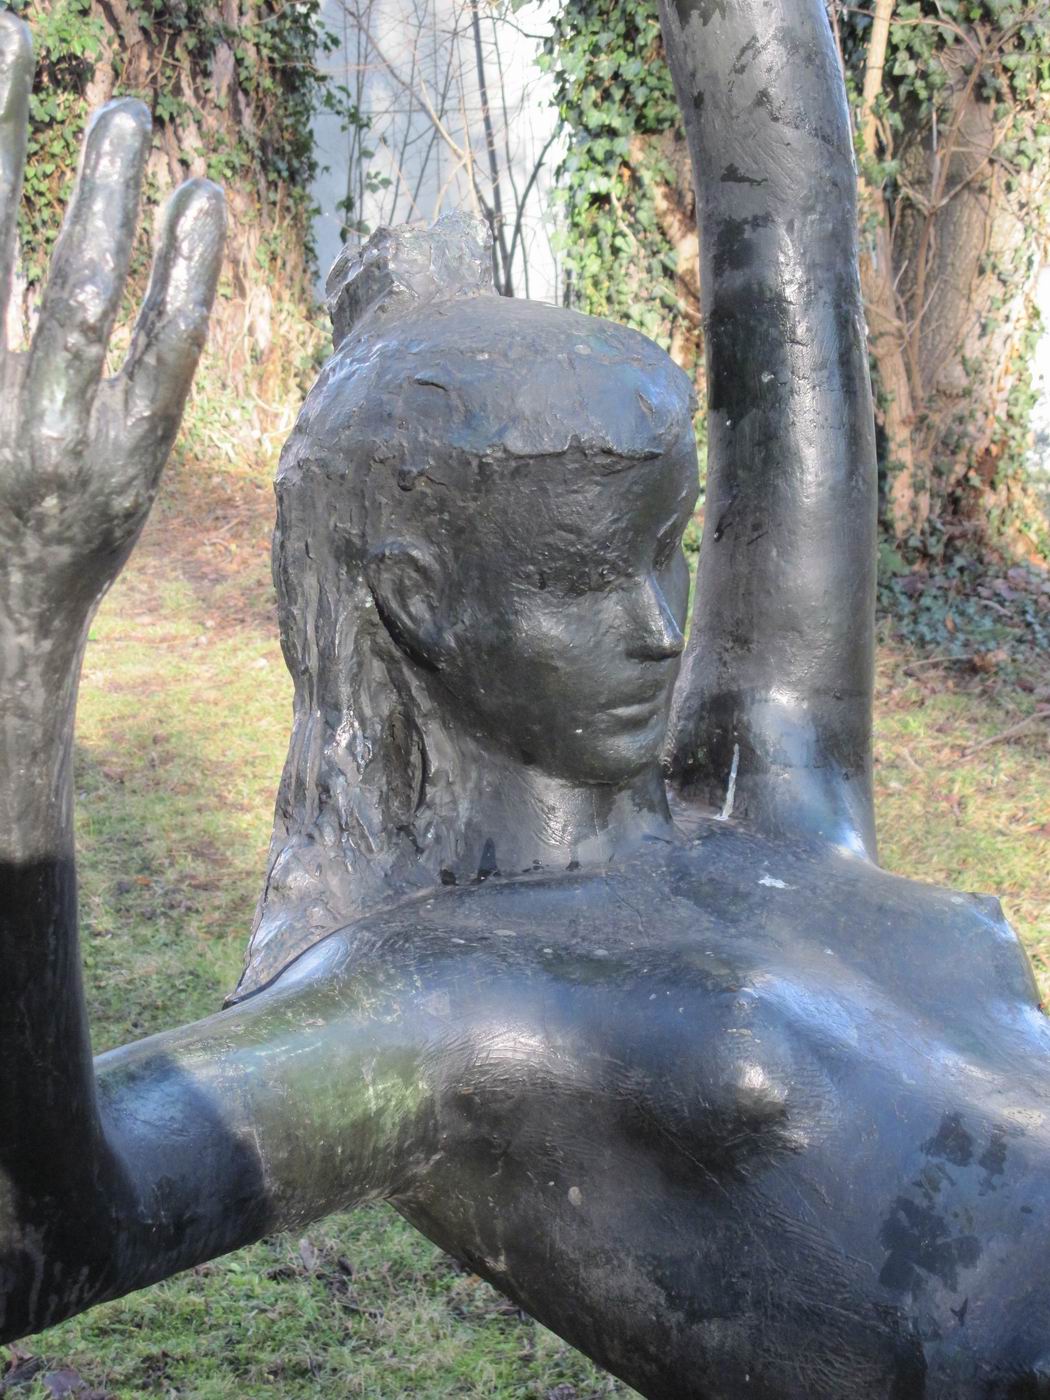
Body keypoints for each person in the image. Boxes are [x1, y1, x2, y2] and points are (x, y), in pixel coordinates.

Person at [1, 6, 1048, 1399]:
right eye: (579, 579)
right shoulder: (442, 995)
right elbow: (45, 1236)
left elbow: (788, 238)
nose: (662, 628)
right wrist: (27, 623)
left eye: (668, 549)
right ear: (419, 600)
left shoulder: (768, 787)